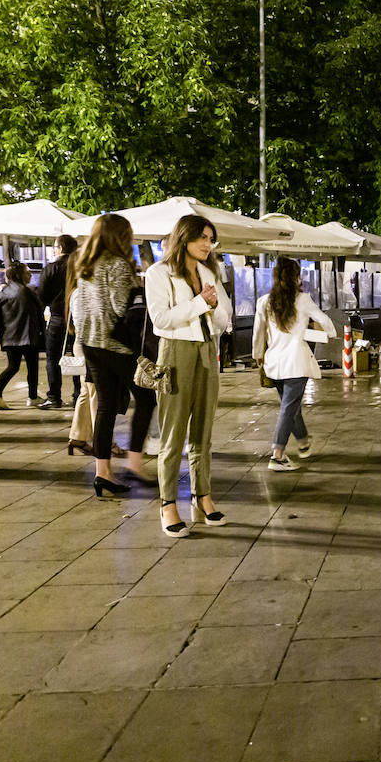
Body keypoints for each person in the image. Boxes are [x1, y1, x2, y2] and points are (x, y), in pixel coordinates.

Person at [145, 214, 233, 537]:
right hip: (175, 352)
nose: (208, 245)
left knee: (203, 430)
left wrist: (213, 309)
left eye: (211, 239)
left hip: (208, 349)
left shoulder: (209, 271)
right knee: (173, 433)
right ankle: (168, 504)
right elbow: (161, 319)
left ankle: (203, 496)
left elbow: (224, 314)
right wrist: (200, 303)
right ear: (185, 237)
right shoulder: (158, 273)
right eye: (203, 238)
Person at [73, 214, 156, 495]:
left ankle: (103, 472)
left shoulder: (85, 265)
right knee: (146, 397)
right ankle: (135, 462)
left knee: (106, 407)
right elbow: (123, 309)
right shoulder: (118, 265)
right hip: (116, 345)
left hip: (91, 345)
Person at [254, 257, 338, 472]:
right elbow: (324, 319)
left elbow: (258, 333)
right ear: (296, 277)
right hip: (296, 362)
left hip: (274, 363)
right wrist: (330, 334)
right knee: (288, 408)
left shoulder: (264, 301)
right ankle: (277, 456)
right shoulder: (303, 300)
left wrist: (257, 356)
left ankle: (302, 442)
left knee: (290, 406)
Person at [0, 262, 43, 410]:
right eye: (27, 272)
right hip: (27, 336)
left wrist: (2, 335)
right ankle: (32, 397)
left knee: (13, 366)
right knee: (32, 367)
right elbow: (37, 315)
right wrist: (41, 333)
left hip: (10, 337)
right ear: (19, 274)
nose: (30, 274)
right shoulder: (27, 292)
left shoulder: (3, 293)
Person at [39, 234, 79, 409]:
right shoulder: (81, 268)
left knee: (53, 358)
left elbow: (43, 296)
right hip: (77, 318)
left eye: (54, 247)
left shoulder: (51, 269)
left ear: (60, 249)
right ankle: (79, 395)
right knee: (78, 356)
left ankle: (54, 396)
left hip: (57, 318)